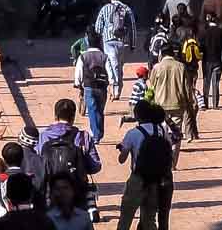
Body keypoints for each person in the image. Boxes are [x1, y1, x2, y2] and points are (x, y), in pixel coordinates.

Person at [36, 99, 102, 217]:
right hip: (77, 193)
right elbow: (95, 167)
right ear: (73, 116)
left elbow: (39, 163)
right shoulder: (83, 137)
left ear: (55, 115)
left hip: (51, 192)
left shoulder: (43, 136)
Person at [116, 101, 176, 230]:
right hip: (156, 179)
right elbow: (170, 147)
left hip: (138, 178)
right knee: (149, 219)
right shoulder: (161, 130)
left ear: (137, 116)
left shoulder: (133, 133)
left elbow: (121, 159)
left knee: (126, 217)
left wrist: (123, 150)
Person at [93, 0, 137, 99]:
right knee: (119, 66)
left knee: (112, 65)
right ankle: (118, 88)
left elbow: (98, 28)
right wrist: (133, 44)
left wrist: (97, 43)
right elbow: (132, 28)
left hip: (108, 41)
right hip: (122, 42)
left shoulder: (105, 8)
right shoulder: (127, 9)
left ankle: (114, 86)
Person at [73, 30, 110, 142]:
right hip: (102, 87)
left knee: (92, 110)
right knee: (100, 110)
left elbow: (78, 72)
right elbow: (110, 72)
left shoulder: (83, 57)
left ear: (88, 42)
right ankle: (99, 132)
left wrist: (77, 83)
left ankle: (96, 134)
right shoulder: (104, 56)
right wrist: (113, 84)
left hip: (89, 87)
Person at [199, 0, 222, 109]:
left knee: (206, 82)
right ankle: (215, 104)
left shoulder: (203, 32)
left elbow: (200, 47)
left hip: (206, 61)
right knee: (215, 83)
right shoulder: (220, 32)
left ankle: (205, 103)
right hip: (217, 60)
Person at [174, 21, 202, 141]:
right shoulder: (192, 44)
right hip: (191, 74)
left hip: (183, 77)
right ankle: (191, 132)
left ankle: (190, 132)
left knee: (189, 104)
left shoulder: (177, 47)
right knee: (191, 105)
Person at [144, 47, 187, 122]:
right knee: (176, 129)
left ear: (161, 55)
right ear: (173, 54)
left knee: (162, 128)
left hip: (160, 104)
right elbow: (187, 87)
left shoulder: (157, 67)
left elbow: (152, 85)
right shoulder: (181, 67)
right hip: (177, 103)